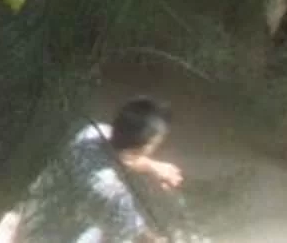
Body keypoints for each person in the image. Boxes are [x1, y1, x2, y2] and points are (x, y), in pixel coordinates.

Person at [18, 98, 181, 243]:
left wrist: (152, 166)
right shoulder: (112, 194)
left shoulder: (91, 131)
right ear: (145, 146)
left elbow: (118, 155)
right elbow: (139, 235)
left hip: (35, 217)